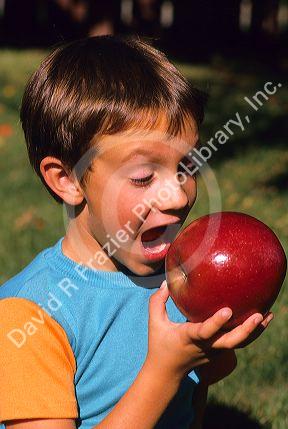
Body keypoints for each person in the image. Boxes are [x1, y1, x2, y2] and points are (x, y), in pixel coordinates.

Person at [0, 35, 273, 429]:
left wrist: (215, 345)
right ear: (68, 180)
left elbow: (195, 394)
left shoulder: (178, 277)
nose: (178, 195)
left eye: (188, 166)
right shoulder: (30, 319)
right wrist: (165, 371)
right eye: (144, 177)